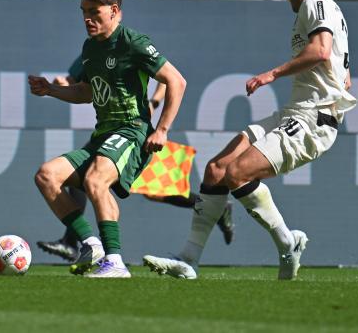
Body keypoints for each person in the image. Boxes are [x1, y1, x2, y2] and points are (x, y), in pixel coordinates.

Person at [143, 0, 357, 281]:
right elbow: (344, 73)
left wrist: (271, 74)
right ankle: (189, 258)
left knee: (237, 172)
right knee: (216, 170)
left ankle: (287, 243)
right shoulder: (330, 11)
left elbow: (321, 51)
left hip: (313, 118)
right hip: (296, 111)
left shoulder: (314, 2)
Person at [28, 0, 186, 278]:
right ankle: (91, 245)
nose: (87, 18)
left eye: (94, 11)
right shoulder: (90, 47)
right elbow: (86, 92)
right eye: (83, 10)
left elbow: (176, 81)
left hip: (131, 131)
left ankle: (115, 261)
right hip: (102, 137)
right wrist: (50, 90)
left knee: (95, 180)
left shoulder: (133, 42)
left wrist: (162, 129)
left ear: (114, 10)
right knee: (46, 176)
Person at [37, 56, 234, 262]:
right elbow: (79, 85)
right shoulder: (91, 51)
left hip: (141, 132)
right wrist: (60, 85)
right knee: (84, 177)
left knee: (155, 189)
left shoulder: (128, 45)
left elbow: (169, 79)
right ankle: (73, 241)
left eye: (96, 20)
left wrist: (154, 104)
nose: (91, 23)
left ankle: (217, 207)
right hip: (110, 132)